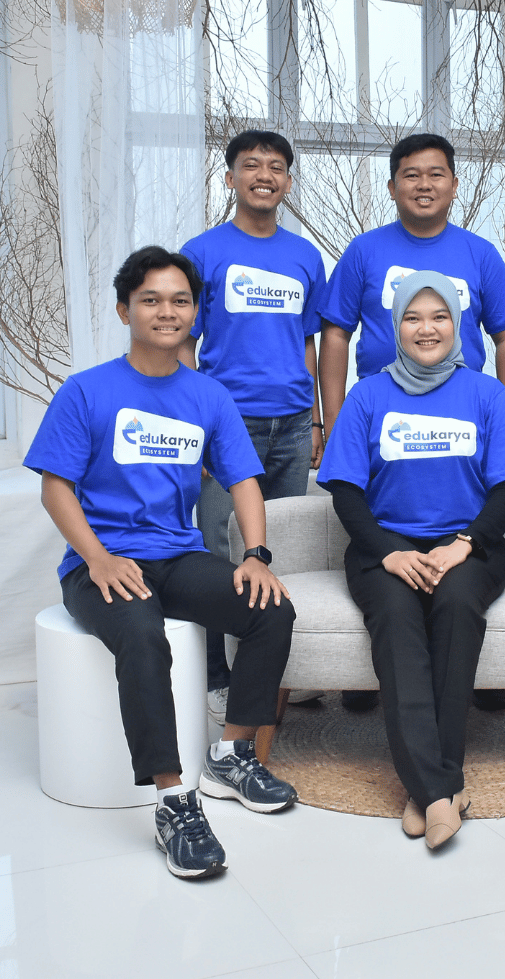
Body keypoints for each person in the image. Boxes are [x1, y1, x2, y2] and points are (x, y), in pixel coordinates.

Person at [25, 246, 298, 880]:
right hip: (99, 563)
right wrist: (96, 558)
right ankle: (174, 800)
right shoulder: (86, 390)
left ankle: (231, 756)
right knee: (143, 635)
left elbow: (244, 481)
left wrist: (256, 556)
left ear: (196, 313)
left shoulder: (208, 395)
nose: (166, 311)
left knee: (270, 609)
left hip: (178, 556)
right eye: (150, 300)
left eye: (180, 300)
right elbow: (55, 487)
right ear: (125, 310)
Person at [316, 270, 505, 848]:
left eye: (440, 316)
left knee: (458, 605)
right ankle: (441, 791)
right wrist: (389, 552)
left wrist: (464, 544)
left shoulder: (487, 394)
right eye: (413, 317)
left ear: (458, 325)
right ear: (395, 326)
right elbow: (346, 493)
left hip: (469, 544)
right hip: (383, 546)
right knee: (396, 619)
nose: (426, 328)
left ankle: (429, 788)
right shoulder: (368, 395)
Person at [319, 133, 505, 711]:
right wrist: (334, 423)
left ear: (454, 186)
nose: (423, 184)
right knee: (388, 580)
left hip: (461, 411)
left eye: (436, 174)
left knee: (459, 589)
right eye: (410, 174)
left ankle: (467, 686)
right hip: (381, 414)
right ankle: (377, 681)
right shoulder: (363, 251)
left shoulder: (480, 253)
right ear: (392, 187)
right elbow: (335, 334)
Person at [179, 130, 326, 724]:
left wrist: (316, 419)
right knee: (218, 550)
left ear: (287, 181)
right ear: (230, 178)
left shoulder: (305, 256)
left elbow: (309, 342)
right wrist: (195, 427)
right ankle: (217, 675)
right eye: (251, 165)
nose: (264, 175)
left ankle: (277, 670)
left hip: (291, 423)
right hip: (226, 425)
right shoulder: (201, 251)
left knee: (278, 546)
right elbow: (184, 343)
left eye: (275, 167)